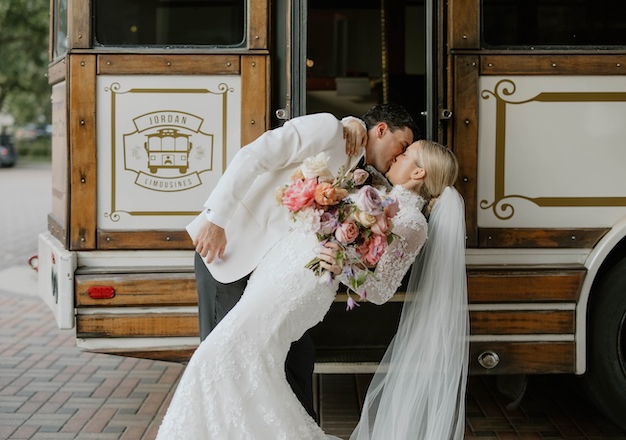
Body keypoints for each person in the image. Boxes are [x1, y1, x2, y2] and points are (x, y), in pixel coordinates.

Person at [158, 139, 468, 439]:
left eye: (406, 155)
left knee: (221, 352)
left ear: (419, 173)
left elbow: (380, 289)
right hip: (278, 269)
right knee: (251, 361)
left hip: (301, 286)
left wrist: (342, 266)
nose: (397, 157)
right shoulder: (377, 193)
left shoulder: (412, 222)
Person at [186, 103, 420, 419]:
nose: (398, 156)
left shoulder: (365, 178)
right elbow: (253, 157)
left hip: (273, 274)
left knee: (296, 356)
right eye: (401, 146)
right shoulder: (328, 129)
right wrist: (216, 220)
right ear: (381, 130)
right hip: (230, 250)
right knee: (225, 359)